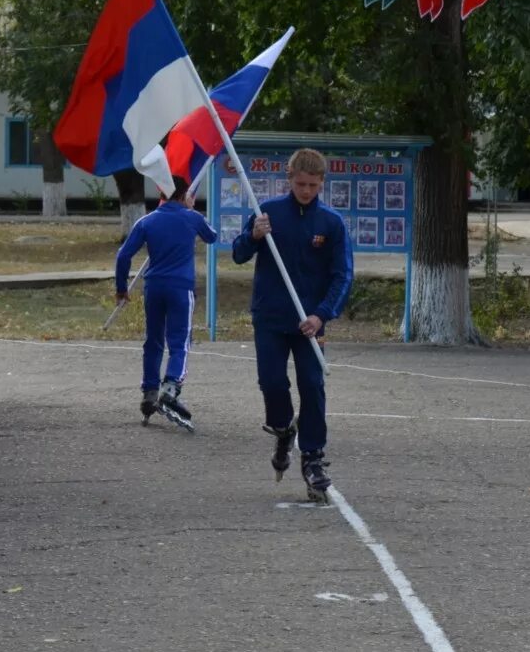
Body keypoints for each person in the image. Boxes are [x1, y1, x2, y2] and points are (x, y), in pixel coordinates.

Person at [231, 149, 353, 502]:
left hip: (310, 323)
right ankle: (284, 428)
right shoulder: (266, 212)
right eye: (300, 183)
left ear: (322, 183)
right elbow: (238, 254)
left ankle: (313, 457)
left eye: (313, 185)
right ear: (289, 178)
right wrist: (253, 235)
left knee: (313, 385)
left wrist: (322, 314)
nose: (306, 190)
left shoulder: (331, 223)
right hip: (270, 316)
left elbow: (342, 275)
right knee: (271, 382)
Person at [114, 175, 217, 431]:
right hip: (181, 288)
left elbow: (123, 254)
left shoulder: (147, 221)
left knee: (154, 339)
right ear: (185, 194)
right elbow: (212, 237)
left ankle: (149, 390)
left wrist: (121, 288)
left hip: (154, 287)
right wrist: (191, 209)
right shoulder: (192, 218)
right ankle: (170, 387)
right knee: (180, 339)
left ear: (161, 191)